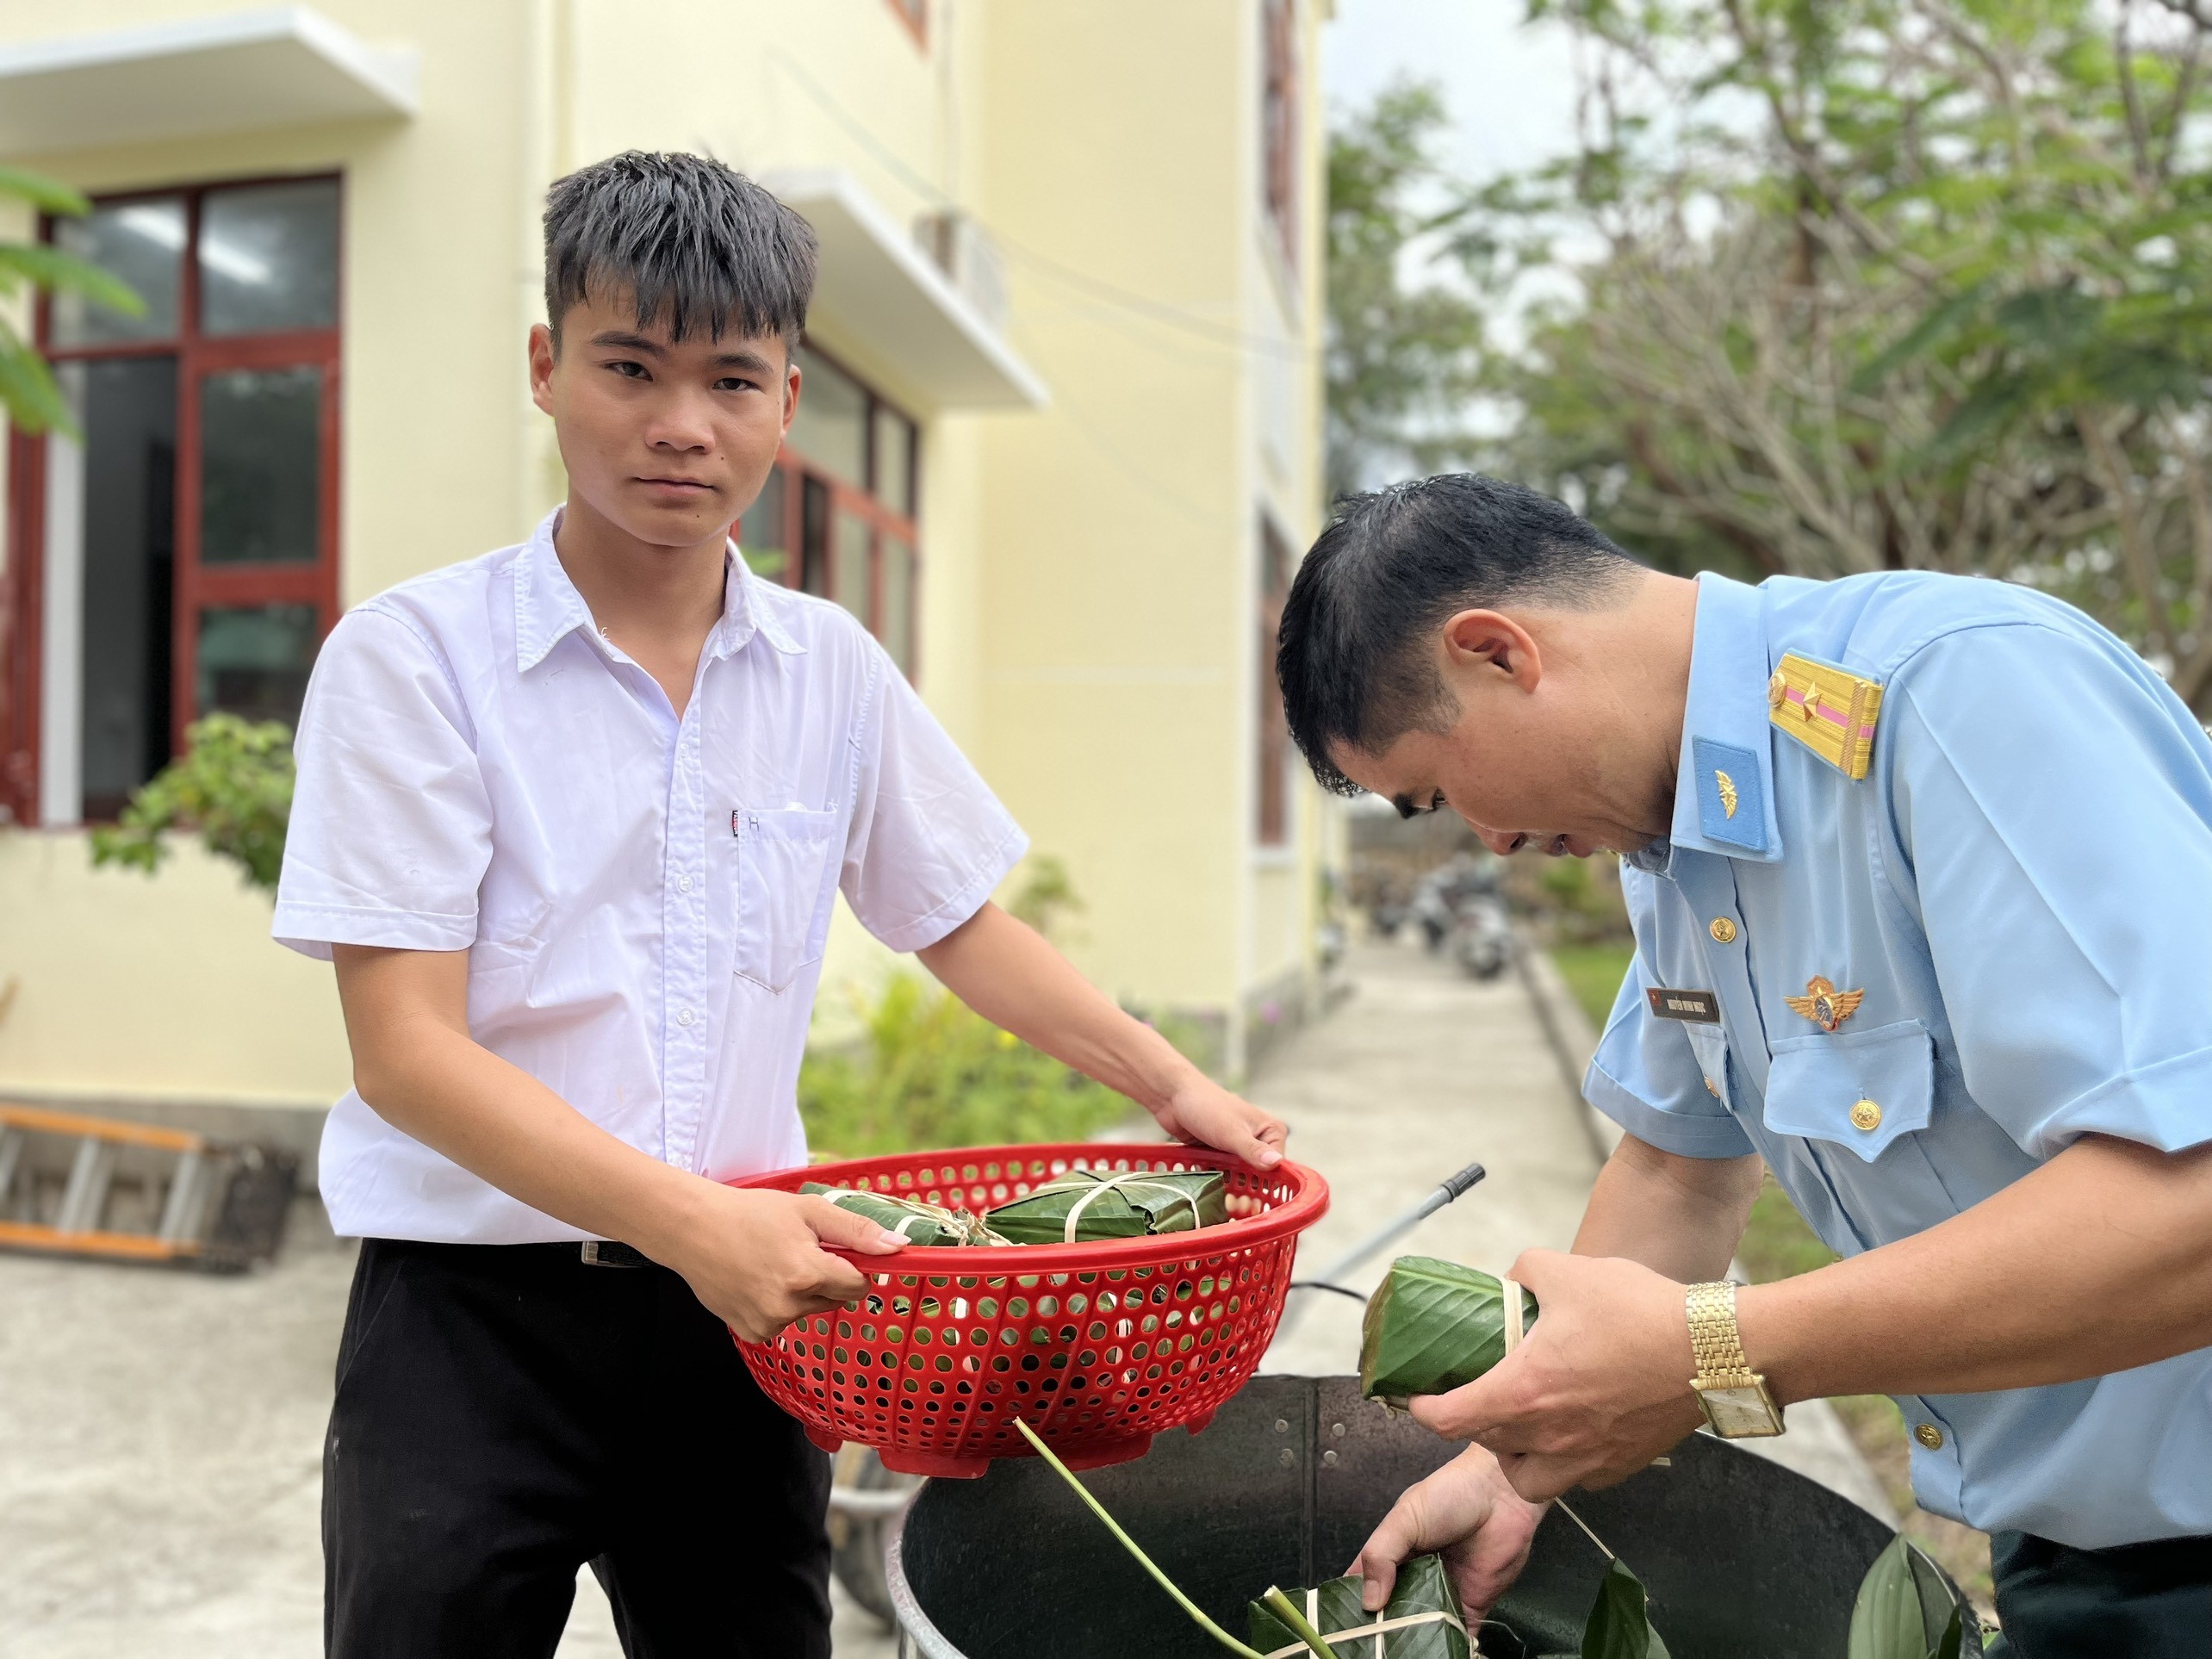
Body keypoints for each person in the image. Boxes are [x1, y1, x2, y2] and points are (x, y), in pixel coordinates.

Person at [272, 151, 1287, 1659]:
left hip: (754, 1329)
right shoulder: (413, 659)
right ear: (547, 369)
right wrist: (699, 1228)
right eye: (631, 367)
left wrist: (1180, 1085)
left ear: (788, 401)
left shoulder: (830, 670)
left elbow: (958, 921)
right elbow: (404, 1052)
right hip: (470, 1326)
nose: (683, 426)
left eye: (732, 382)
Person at [1273, 474, 2212, 1656]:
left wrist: (1715, 1354)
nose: (1491, 841)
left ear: (1498, 653)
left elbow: (2194, 1196)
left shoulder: (1953, 696)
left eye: (1438, 794)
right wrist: (1512, 1468)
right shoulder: (1678, 840)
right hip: (2075, 1542)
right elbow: (1679, 1167)